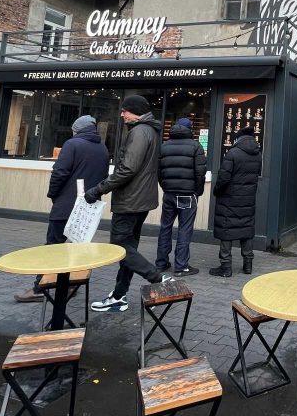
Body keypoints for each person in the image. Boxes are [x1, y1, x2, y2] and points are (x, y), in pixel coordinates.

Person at [15, 115, 111, 303]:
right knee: (78, 247)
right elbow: (103, 176)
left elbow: (60, 172)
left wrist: (53, 194)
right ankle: (70, 284)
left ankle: (40, 288)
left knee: (53, 247)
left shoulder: (72, 144)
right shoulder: (103, 148)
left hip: (66, 204)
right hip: (88, 207)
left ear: (77, 130)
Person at [85, 95, 165, 312]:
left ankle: (157, 278)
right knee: (129, 250)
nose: (122, 114)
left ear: (135, 112)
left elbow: (127, 169)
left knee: (120, 248)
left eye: (125, 111)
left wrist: (98, 189)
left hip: (131, 200)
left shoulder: (140, 132)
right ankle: (119, 295)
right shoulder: (150, 131)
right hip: (141, 200)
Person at [156, 117, 207, 277]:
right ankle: (181, 266)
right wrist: (197, 191)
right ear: (190, 129)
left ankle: (161, 263)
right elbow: (200, 173)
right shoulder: (195, 146)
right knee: (185, 229)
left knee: (165, 227)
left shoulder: (164, 146)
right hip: (187, 195)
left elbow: (159, 171)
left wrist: (166, 187)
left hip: (169, 194)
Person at [209, 125, 261, 278]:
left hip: (229, 199)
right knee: (246, 230)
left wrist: (217, 191)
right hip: (248, 199)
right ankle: (248, 265)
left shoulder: (233, 153)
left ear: (238, 138)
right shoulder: (258, 154)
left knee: (227, 230)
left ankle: (226, 267)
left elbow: (223, 178)